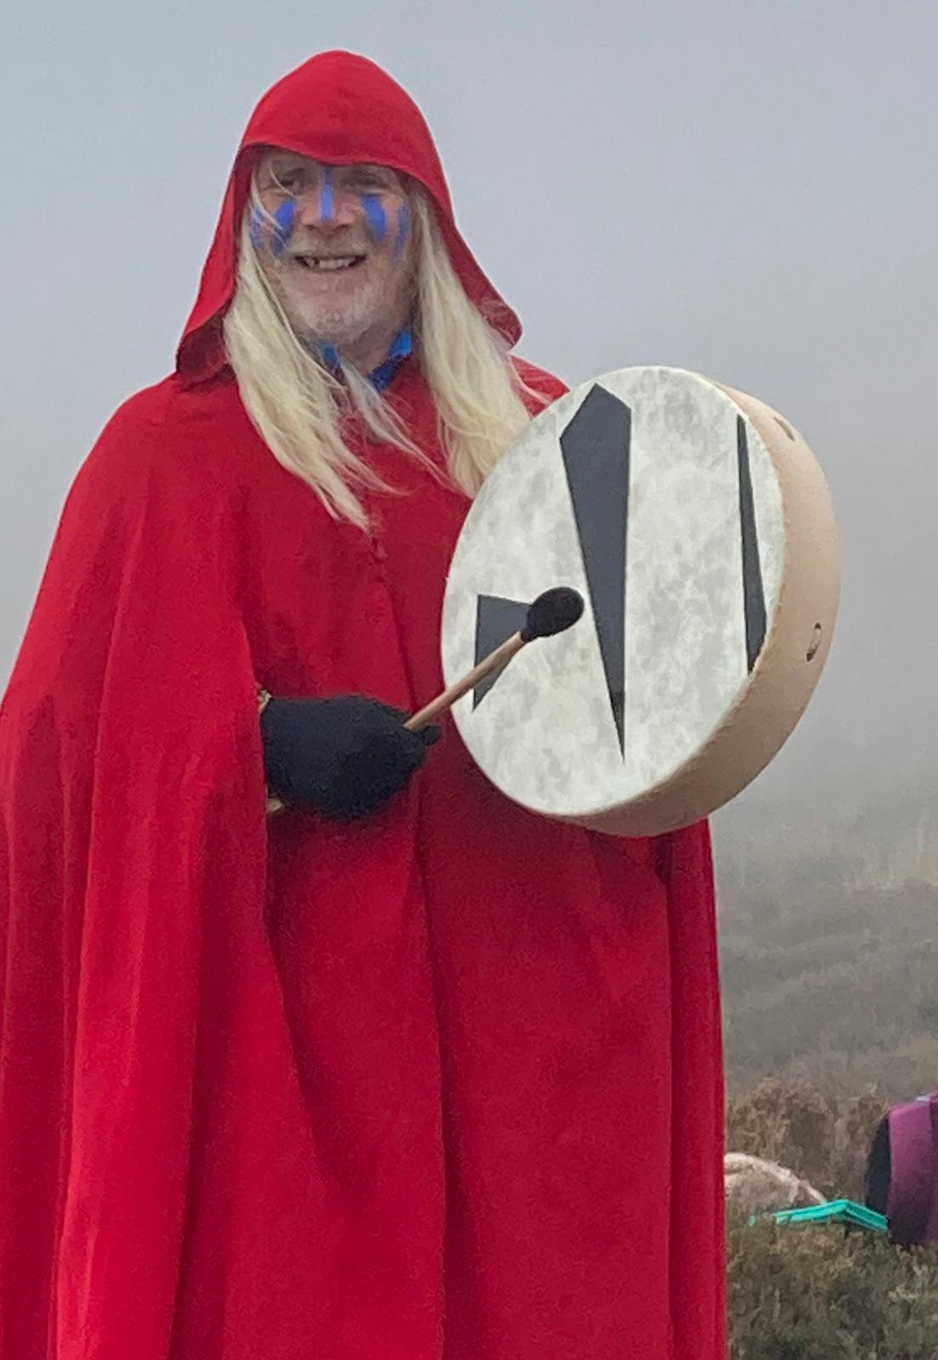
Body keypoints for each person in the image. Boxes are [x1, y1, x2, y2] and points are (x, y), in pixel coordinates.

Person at [0, 51, 727, 1360]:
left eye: (362, 188)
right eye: (290, 186)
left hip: (538, 1048)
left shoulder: (544, 441)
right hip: (278, 1072)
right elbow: (47, 768)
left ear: (423, 219)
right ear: (245, 221)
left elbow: (671, 694)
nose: (324, 218)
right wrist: (254, 744)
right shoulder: (158, 463)